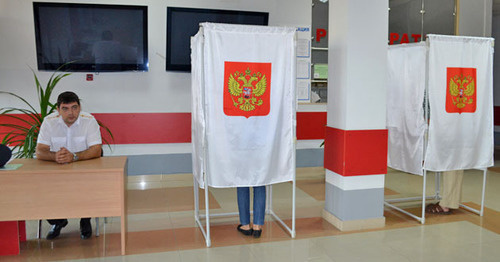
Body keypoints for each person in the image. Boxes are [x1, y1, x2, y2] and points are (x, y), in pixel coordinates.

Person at [35, 91, 102, 240]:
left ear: (79, 107)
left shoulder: (89, 120)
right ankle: (58, 221)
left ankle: (85, 221)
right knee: (41, 191)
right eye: (65, 108)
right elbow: (39, 151)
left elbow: (96, 149)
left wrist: (75, 157)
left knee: (87, 186)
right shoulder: (49, 121)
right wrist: (55, 156)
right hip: (56, 172)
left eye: (74, 107)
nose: (71, 113)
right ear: (58, 110)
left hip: (83, 171)